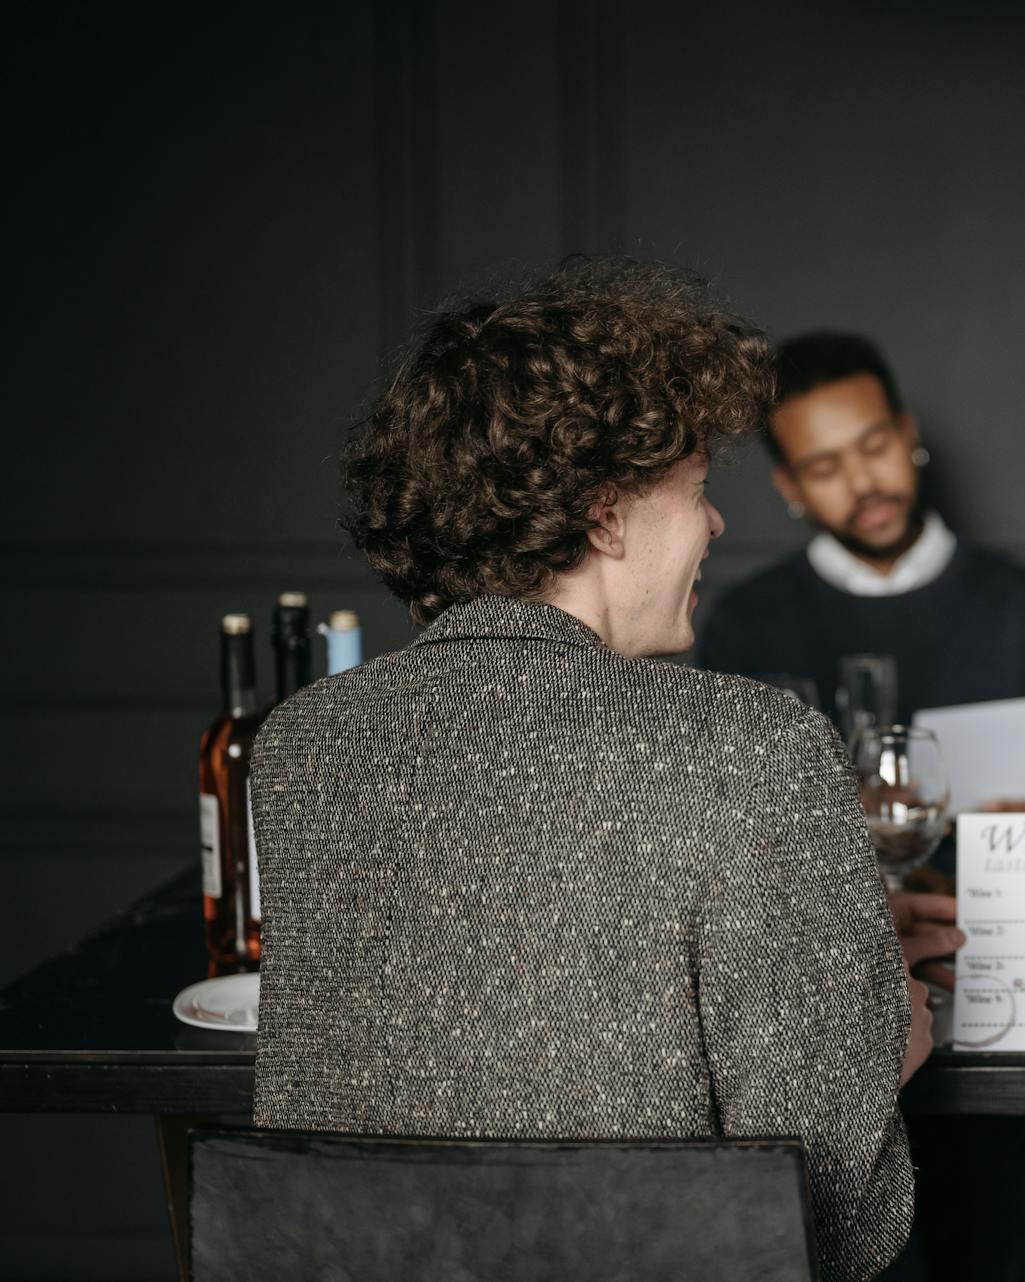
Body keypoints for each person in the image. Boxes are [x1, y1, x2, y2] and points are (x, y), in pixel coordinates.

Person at [248, 260, 956, 1282]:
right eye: (701, 491)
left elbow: (487, 1017)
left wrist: (815, 952)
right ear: (608, 515)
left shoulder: (304, 744)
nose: (715, 525)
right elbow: (834, 1222)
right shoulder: (755, 746)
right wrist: (877, 1034)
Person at [697, 331, 1025, 805]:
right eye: (825, 469)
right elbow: (724, 808)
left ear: (909, 434)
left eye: (876, 446)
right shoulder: (744, 623)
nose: (863, 483)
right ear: (790, 487)